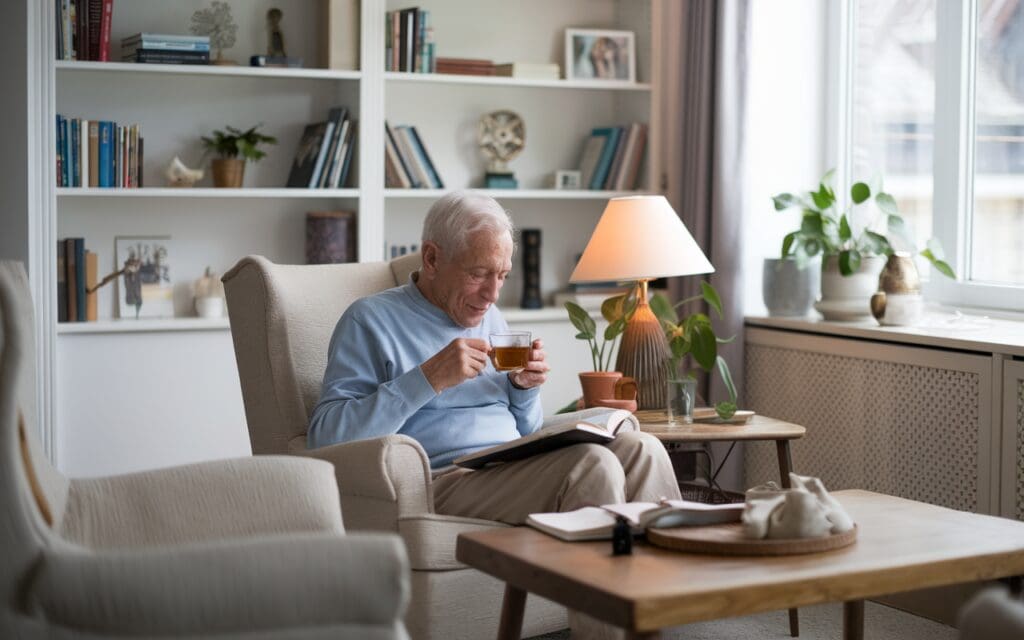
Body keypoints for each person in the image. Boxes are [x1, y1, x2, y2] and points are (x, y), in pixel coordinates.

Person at [308, 190, 680, 525]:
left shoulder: (489, 318)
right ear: (432, 258)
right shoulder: (370, 320)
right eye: (479, 274)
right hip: (447, 480)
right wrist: (428, 378)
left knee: (643, 448)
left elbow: (527, 430)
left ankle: (668, 592)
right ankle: (598, 599)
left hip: (511, 463)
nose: (492, 294)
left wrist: (522, 388)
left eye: (502, 275)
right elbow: (326, 437)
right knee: (591, 464)